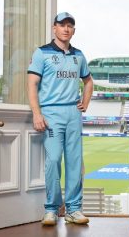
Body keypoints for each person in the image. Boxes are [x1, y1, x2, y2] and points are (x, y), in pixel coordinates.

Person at [27, 12, 93, 226]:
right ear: (54, 28)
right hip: (51, 113)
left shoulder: (79, 55)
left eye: (70, 26)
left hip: (73, 114)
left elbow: (89, 81)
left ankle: (74, 209)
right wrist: (37, 113)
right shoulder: (42, 53)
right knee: (54, 160)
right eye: (62, 25)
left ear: (73, 30)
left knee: (74, 162)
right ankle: (51, 209)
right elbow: (32, 84)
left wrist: (86, 101)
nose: (66, 29)